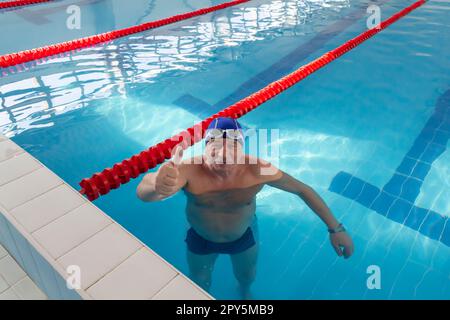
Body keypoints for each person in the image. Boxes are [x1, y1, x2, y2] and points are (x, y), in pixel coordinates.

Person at [137, 117, 354, 299]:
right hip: (200, 237)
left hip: (242, 237)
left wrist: (336, 229)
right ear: (205, 149)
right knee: (199, 281)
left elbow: (302, 189)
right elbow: (145, 192)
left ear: (241, 150)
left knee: (247, 277)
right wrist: (157, 184)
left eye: (230, 152)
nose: (223, 161)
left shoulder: (257, 169)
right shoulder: (189, 169)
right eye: (215, 152)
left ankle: (244, 292)